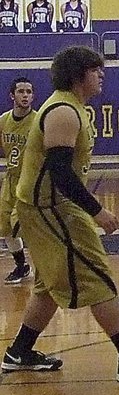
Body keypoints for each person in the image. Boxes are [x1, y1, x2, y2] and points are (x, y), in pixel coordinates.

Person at [1, 46, 119, 381]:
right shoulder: (63, 111)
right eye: (96, 70)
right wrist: (98, 212)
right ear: (78, 75)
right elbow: (60, 173)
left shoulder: (73, 108)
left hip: (47, 207)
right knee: (97, 277)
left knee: (49, 284)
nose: (102, 76)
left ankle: (19, 351)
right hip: (49, 208)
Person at [0, 76, 34, 284]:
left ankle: (53, 267)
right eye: (21, 91)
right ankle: (22, 266)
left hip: (29, 182)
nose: (25, 95)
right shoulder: (4, 120)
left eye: (29, 92)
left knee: (19, 224)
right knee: (4, 227)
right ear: (12, 95)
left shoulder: (38, 121)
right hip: (10, 179)